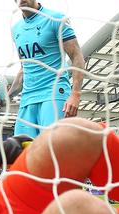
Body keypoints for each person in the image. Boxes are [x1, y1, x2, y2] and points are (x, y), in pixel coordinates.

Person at [7, 0, 85, 138]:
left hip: (54, 94)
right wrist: (8, 96)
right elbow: (24, 68)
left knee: (51, 150)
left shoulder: (56, 19)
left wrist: (75, 94)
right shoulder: (16, 29)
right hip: (27, 99)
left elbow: (76, 56)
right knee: (22, 153)